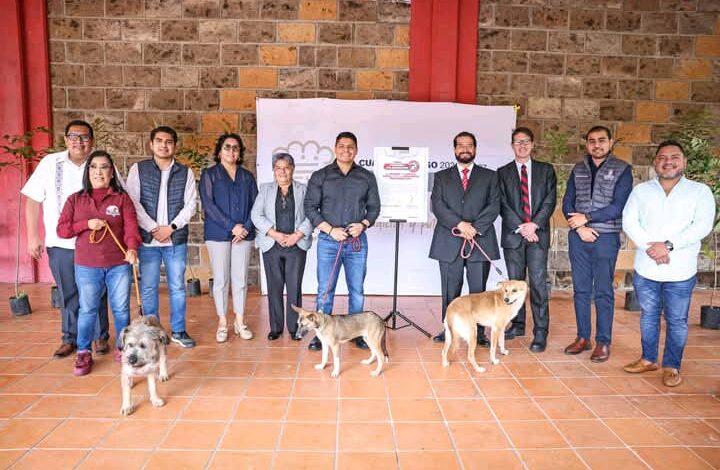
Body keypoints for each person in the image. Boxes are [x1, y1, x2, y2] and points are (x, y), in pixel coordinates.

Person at [622, 140, 715, 387]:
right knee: (648, 316)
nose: (668, 162)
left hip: (680, 270)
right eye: (662, 157)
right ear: (655, 162)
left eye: (674, 157)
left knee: (677, 320)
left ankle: (672, 366)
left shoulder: (700, 191)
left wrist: (668, 246)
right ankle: (648, 359)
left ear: (684, 162)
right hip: (646, 267)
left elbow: (702, 226)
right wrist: (651, 248)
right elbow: (629, 221)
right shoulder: (641, 191)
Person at [21, 120, 111, 359]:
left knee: (97, 291)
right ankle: (69, 338)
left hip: (95, 242)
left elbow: (117, 197)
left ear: (92, 140)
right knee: (68, 292)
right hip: (61, 243)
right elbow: (32, 199)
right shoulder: (50, 163)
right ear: (65, 140)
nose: (78, 142)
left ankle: (100, 336)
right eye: (73, 136)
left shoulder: (100, 162)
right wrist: (32, 236)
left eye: (84, 137)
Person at [57, 150, 140, 376]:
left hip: (118, 264)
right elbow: (62, 230)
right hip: (87, 265)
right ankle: (84, 352)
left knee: (121, 309)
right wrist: (86, 224)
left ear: (111, 172)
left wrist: (132, 248)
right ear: (88, 172)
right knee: (88, 309)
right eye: (93, 167)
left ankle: (124, 348)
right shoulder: (75, 199)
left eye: (104, 167)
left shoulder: (122, 199)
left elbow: (131, 227)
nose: (98, 172)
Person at [304, 131, 380, 351]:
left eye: (350, 146)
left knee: (356, 290)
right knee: (325, 290)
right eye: (342, 146)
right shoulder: (321, 176)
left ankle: (357, 332)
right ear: (335, 148)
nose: (346, 150)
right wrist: (330, 230)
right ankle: (320, 333)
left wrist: (363, 224)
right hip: (329, 241)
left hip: (357, 242)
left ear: (356, 150)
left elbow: (374, 208)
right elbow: (310, 207)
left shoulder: (366, 177)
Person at [562, 125, 633, 362]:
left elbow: (618, 206)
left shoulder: (622, 169)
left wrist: (588, 218)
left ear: (610, 142)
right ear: (587, 144)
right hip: (578, 237)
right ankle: (583, 337)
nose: (596, 145)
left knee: (603, 291)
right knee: (581, 290)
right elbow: (567, 203)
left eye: (602, 140)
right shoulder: (578, 169)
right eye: (592, 141)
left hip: (606, 238)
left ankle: (603, 341)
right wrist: (580, 227)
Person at [126, 126, 197, 348]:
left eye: (168, 142)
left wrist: (171, 228)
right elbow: (133, 202)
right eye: (159, 141)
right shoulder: (139, 170)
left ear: (175, 146)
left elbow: (190, 205)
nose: (164, 145)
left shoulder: (185, 172)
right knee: (148, 287)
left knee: (177, 286)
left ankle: (178, 330)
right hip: (148, 240)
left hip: (175, 239)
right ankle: (152, 332)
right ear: (151, 144)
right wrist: (154, 228)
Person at [430, 131, 501, 345]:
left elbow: (494, 205)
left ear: (475, 149)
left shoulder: (490, 176)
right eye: (460, 145)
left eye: (469, 145)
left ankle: (478, 334)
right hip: (449, 241)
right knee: (450, 291)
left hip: (480, 241)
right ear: (454, 149)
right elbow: (437, 205)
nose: (465, 149)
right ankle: (449, 330)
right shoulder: (441, 176)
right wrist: (460, 225)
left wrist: (475, 228)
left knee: (478, 292)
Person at [497, 127, 557, 352]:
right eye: (517, 142)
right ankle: (518, 324)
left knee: (538, 284)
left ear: (532, 144)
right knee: (514, 285)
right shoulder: (502, 172)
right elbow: (502, 203)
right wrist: (523, 228)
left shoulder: (546, 170)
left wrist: (534, 225)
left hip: (537, 235)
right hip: (514, 236)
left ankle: (540, 332)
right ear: (511, 145)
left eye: (525, 141)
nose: (521, 146)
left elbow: (550, 201)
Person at [199, 133, 257, 343]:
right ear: (219, 151)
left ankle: (240, 321)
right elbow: (209, 205)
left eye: (236, 148)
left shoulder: (247, 177)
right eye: (227, 147)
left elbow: (256, 205)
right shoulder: (210, 175)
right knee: (221, 280)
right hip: (218, 234)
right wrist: (232, 227)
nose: (232, 151)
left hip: (244, 234)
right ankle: (223, 322)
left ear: (239, 153)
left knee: (240, 279)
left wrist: (245, 228)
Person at [251, 153, 313, 341]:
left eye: (286, 167)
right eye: (278, 168)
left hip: (296, 245)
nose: (282, 171)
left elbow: (312, 214)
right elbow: (256, 215)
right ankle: (276, 328)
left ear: (292, 169)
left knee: (294, 288)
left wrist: (297, 235)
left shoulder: (304, 190)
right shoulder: (265, 189)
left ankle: (294, 328)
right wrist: (275, 234)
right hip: (272, 245)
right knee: (274, 287)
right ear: (273, 170)